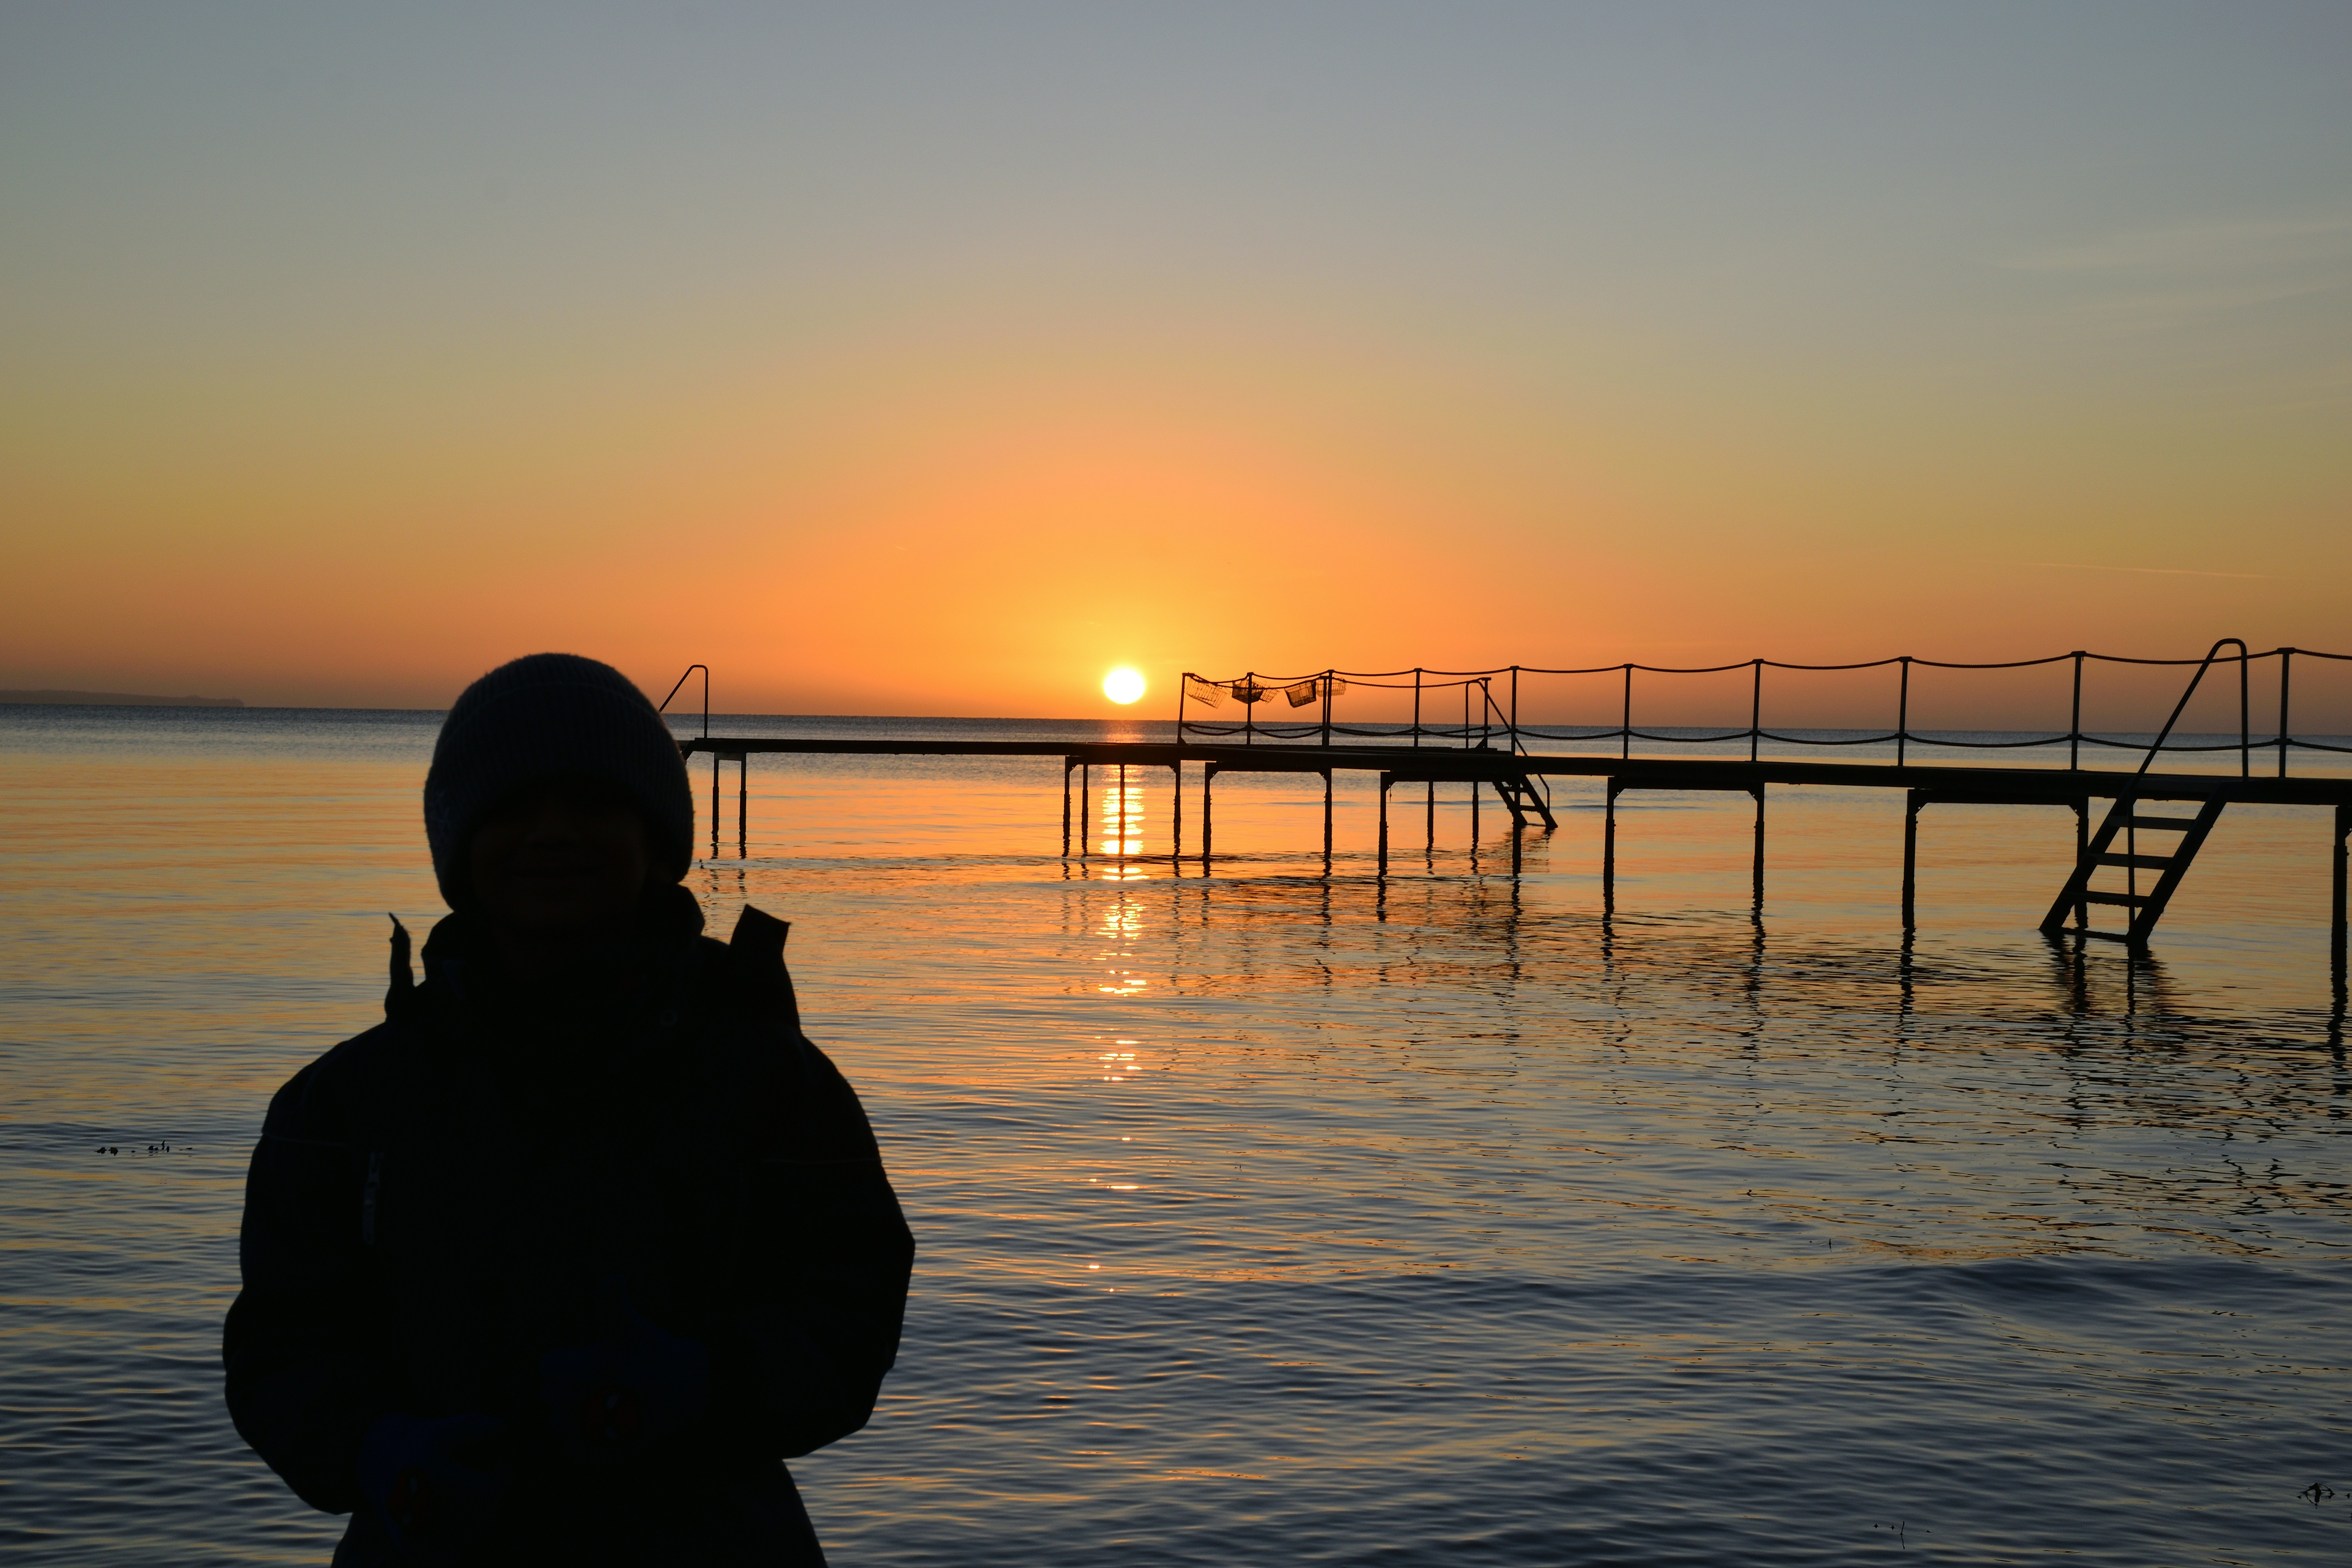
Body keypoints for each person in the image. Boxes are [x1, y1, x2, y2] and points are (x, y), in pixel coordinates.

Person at [223, 653, 913, 1566]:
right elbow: (282, 1343)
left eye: (591, 802)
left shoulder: (772, 1080)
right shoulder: (343, 1102)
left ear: (657, 839)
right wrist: (370, 1443)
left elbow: (851, 1306)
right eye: (512, 806)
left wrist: (711, 1382)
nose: (551, 831)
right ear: (459, 845)